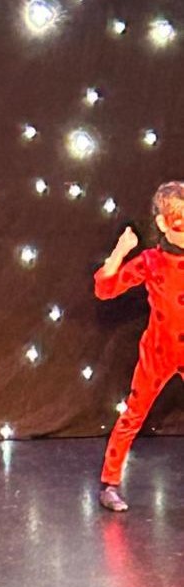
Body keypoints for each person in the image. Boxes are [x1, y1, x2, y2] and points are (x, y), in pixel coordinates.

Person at [95, 181, 184, 512]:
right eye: (179, 219)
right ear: (162, 223)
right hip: (158, 352)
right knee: (133, 414)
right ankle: (110, 482)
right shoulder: (151, 261)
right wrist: (120, 253)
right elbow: (105, 289)